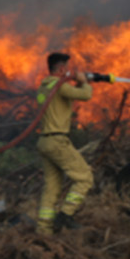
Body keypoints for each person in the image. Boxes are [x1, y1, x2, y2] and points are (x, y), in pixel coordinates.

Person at [35, 52, 95, 233]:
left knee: (52, 187)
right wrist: (84, 81)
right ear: (61, 69)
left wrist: (77, 82)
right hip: (57, 141)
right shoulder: (59, 85)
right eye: (67, 68)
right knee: (85, 178)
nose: (69, 71)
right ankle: (66, 215)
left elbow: (65, 96)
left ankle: (43, 229)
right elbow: (85, 95)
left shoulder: (44, 87)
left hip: (44, 142)